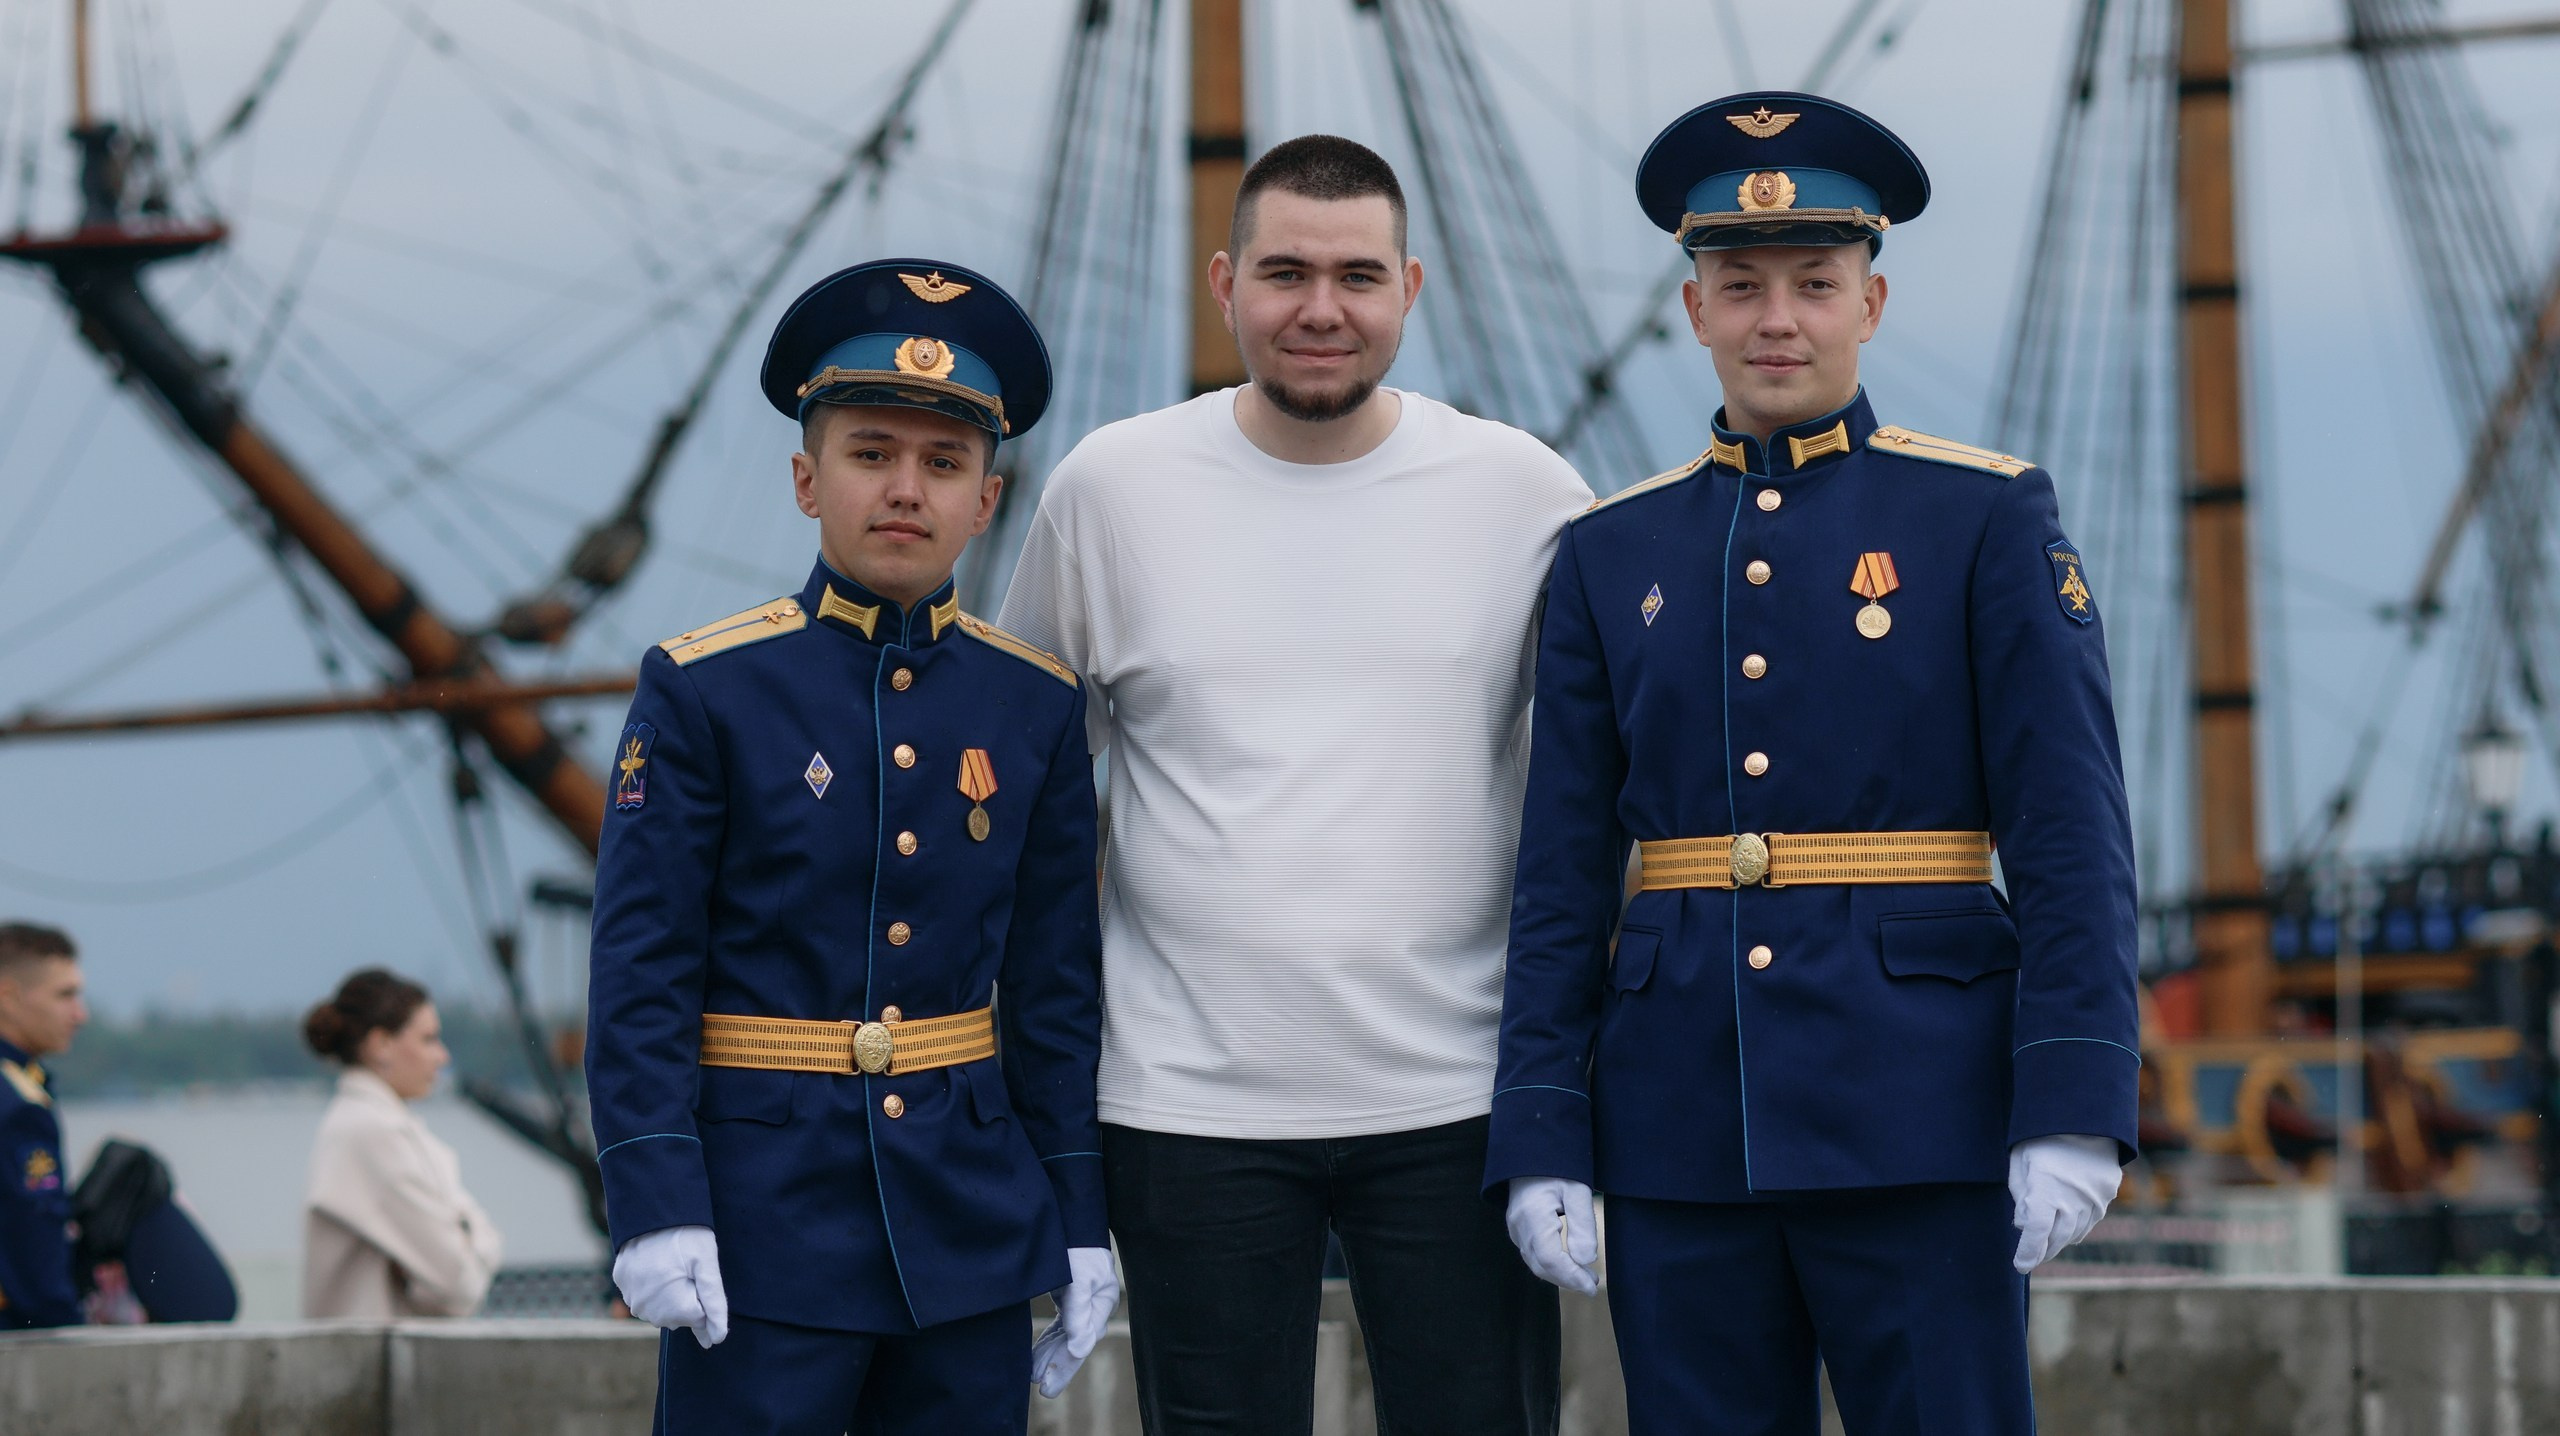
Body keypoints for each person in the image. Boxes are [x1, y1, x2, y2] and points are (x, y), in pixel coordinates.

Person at [1485, 92, 2140, 1435]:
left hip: (1925, 1109)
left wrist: (2076, 1099)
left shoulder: (1983, 516)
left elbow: (2071, 833)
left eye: (1814, 285)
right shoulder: (1614, 553)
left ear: (1871, 304)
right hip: (1678, 1121)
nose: (1777, 318)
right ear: (1695, 312)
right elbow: (1559, 873)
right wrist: (1542, 1126)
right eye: (1741, 286)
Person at [998, 134, 1591, 1436]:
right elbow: (1024, 807)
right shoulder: (1109, 489)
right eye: (1284, 272)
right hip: (1186, 1105)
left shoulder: (1527, 496)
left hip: (1460, 1104)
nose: (1321, 309)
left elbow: (1600, 805)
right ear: (1224, 284)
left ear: (1411, 288)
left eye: (1357, 276)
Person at [586, 258, 1115, 1435]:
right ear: (805, 478)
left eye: (943, 464)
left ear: (988, 498)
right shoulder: (706, 687)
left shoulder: (1031, 705)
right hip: (760, 1225)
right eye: (871, 453)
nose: (905, 490)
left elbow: (1053, 991)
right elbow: (642, 971)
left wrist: (1079, 1210)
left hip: (969, 1226)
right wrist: (654, 1196)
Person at [301, 967, 504, 1318]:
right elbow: (461, 1282)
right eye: (428, 1039)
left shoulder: (365, 1124)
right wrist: (471, 1235)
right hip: (372, 1365)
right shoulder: (373, 1133)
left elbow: (451, 1279)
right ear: (381, 1045)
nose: (442, 1056)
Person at [0, 922, 86, 1329]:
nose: (79, 1014)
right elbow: (35, 1240)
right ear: (8, 995)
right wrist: (68, 1331)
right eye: (64, 995)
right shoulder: (17, 1105)